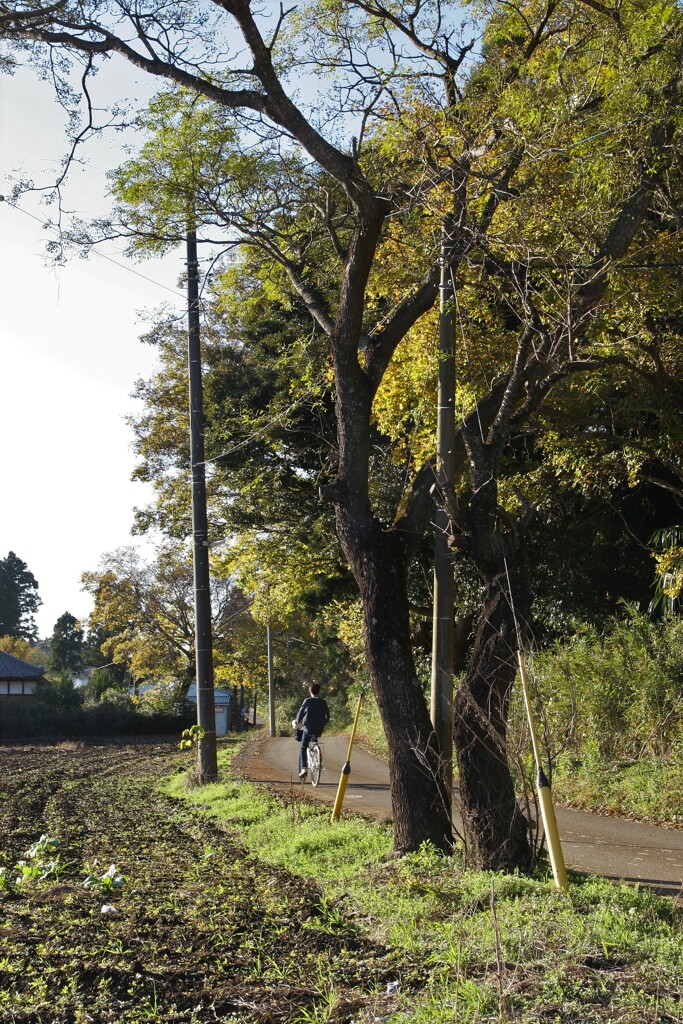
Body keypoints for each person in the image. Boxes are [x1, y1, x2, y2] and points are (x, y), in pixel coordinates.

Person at [292, 682, 330, 780]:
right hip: (319, 729)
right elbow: (327, 716)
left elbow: (300, 714)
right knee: (314, 738)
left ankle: (304, 768)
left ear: (310, 691)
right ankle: (317, 753)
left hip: (308, 728)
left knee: (303, 747)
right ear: (319, 691)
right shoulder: (323, 702)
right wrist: (322, 724)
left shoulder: (307, 701)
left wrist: (297, 721)